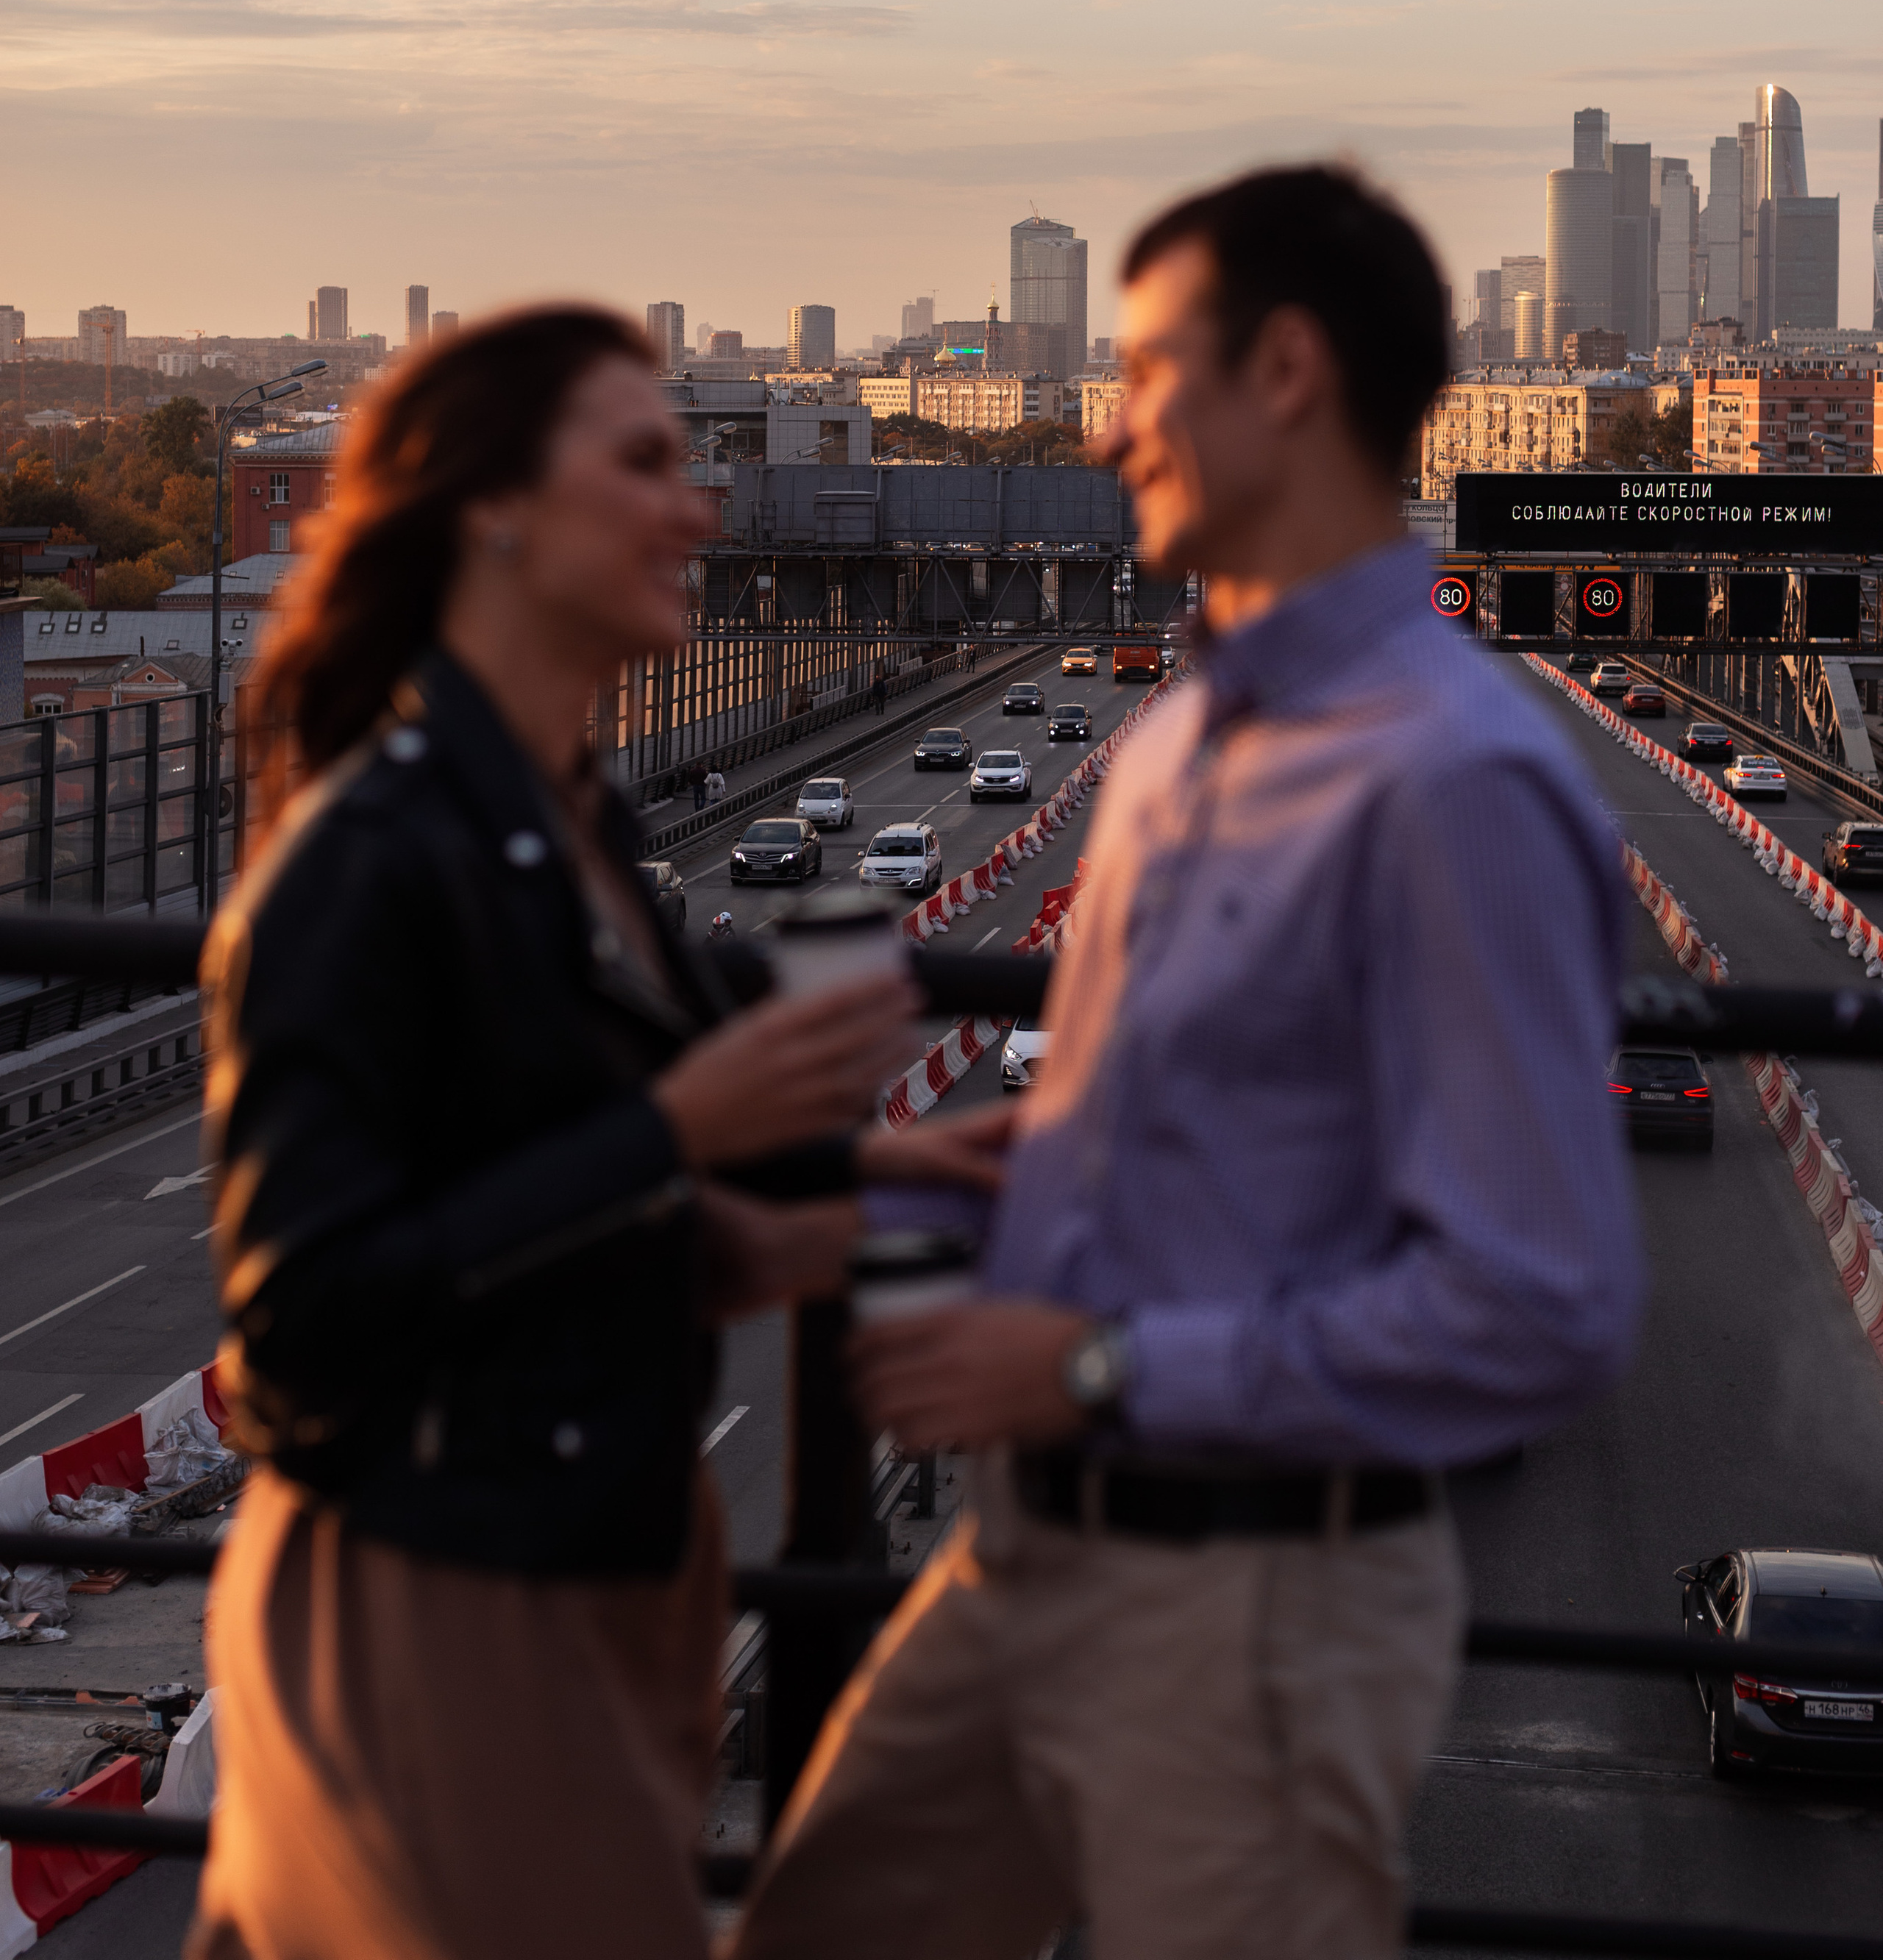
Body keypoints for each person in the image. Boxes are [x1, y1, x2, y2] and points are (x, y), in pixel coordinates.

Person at [732, 167, 1642, 1960]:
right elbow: (1227, 1127)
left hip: (1253, 1609)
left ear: (1285, 372)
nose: (1104, 424)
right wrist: (989, 1175)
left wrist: (1088, 1360)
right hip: (1026, 1556)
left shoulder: (1451, 781)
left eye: (1145, 370)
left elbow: (1538, 1302)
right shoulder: (1172, 745)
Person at [187, 306, 1008, 1960]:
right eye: (642, 462)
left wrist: (855, 1203)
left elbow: (563, 1234)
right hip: (445, 1603)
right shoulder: (375, 854)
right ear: (493, 507)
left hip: (598, 1577)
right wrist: (680, 1124)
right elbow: (301, 1329)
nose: (698, 507)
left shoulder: (570, 829)